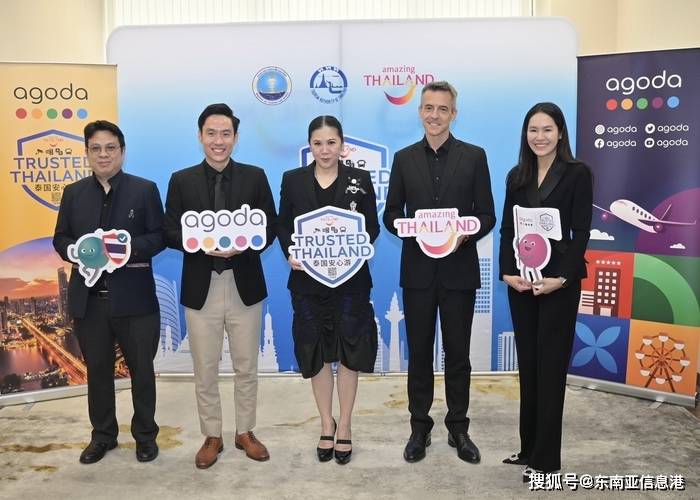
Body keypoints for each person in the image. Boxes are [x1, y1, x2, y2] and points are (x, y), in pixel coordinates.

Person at [383, 81, 495, 464]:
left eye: (442, 109)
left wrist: (463, 235)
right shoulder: (403, 159)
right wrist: (414, 230)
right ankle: (419, 428)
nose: (435, 115)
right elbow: (391, 213)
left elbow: (487, 215)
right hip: (417, 273)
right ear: (420, 112)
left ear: (453, 114)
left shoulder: (474, 157)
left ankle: (458, 427)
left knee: (458, 354)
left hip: (459, 272)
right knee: (418, 354)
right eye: (429, 108)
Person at [164, 103, 277, 468]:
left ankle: (245, 431)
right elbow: (170, 231)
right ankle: (212, 435)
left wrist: (246, 243)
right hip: (202, 285)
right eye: (211, 133)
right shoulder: (181, 180)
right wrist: (200, 243)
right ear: (200, 136)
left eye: (226, 134)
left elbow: (270, 227)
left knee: (246, 365)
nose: (218, 140)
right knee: (205, 367)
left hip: (244, 283)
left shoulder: (255, 177)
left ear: (235, 137)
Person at [53, 120, 164, 464]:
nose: (104, 154)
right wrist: (76, 251)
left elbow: (160, 237)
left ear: (122, 151)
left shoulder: (144, 190)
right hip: (90, 302)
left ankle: (145, 436)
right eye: (96, 148)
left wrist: (124, 249)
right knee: (98, 373)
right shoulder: (73, 193)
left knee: (142, 372)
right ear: (87, 153)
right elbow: (60, 238)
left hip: (135, 300)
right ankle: (103, 436)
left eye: (110, 148)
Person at [498, 102, 592, 481]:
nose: (540, 137)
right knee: (529, 367)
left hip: (558, 284)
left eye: (547, 129)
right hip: (522, 282)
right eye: (533, 130)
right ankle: (528, 449)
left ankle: (546, 461)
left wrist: (563, 279)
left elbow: (581, 232)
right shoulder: (516, 175)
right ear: (526, 134)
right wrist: (507, 273)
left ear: (560, 133)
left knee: (551, 371)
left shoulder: (577, 173)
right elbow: (508, 229)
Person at [277, 116, 379, 465]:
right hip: (307, 282)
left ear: (342, 145)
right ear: (310, 146)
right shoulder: (292, 180)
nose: (325, 150)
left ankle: (345, 424)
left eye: (331, 143)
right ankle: (326, 422)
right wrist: (291, 252)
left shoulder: (359, 179)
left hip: (351, 282)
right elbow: (283, 225)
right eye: (318, 144)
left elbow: (371, 227)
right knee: (316, 352)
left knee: (350, 350)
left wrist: (352, 249)